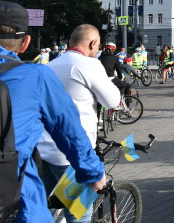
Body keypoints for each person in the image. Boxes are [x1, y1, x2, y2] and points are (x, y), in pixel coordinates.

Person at [0, 1, 106, 223]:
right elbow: (70, 133)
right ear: (25, 43)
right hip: (15, 204)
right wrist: (93, 174)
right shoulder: (36, 76)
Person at [37, 24, 122, 223]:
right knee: (78, 215)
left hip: (43, 150)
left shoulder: (49, 66)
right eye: (98, 45)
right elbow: (112, 101)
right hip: (72, 154)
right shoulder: (89, 65)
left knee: (42, 209)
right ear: (93, 43)